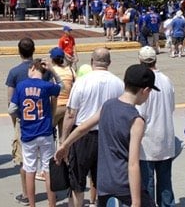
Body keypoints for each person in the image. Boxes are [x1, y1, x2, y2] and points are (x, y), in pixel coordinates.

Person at [56, 63, 159, 207]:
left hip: (104, 185)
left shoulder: (107, 106)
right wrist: (136, 202)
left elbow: (82, 128)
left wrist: (65, 144)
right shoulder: (136, 120)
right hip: (124, 185)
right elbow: (133, 163)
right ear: (145, 90)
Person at [62, 48, 125, 207]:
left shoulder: (82, 82)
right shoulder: (118, 83)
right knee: (104, 182)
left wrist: (64, 141)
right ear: (109, 63)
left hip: (82, 137)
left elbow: (70, 115)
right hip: (108, 137)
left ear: (92, 61)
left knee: (77, 183)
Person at [11, 58, 61, 207]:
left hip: (28, 133)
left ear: (32, 68)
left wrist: (21, 116)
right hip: (45, 132)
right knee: (47, 169)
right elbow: (61, 86)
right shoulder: (46, 86)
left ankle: (32, 204)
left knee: (30, 169)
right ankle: (51, 203)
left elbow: (11, 109)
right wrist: (53, 70)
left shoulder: (21, 86)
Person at [137, 46, 176, 207]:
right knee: (165, 183)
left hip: (147, 141)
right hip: (165, 138)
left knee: (147, 185)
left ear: (140, 61)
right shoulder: (166, 80)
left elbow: (139, 114)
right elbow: (172, 107)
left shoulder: (142, 83)